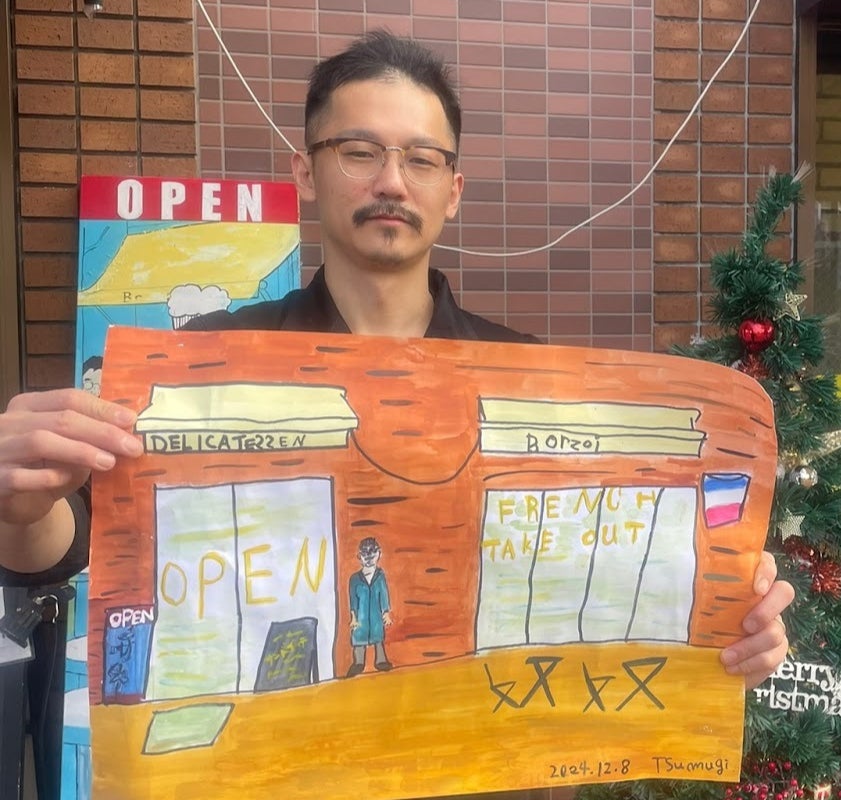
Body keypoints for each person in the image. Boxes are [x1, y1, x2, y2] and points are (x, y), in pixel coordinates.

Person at [0, 29, 791, 693]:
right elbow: (74, 543)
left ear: (454, 189)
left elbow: (611, 573)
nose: (390, 182)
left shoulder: (528, 375)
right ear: (306, 172)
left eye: (420, 159)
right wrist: (22, 508)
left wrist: (732, 629)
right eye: (359, 152)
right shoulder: (204, 360)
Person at [347, 537, 393, 676]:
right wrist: (353, 617)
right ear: (359, 557)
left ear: (379, 554)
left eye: (372, 556)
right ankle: (358, 663)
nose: (369, 560)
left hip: (375, 616)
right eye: (365, 557)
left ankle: (381, 661)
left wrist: (386, 613)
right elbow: (353, 600)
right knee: (359, 639)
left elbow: (384, 595)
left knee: (378, 637)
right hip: (360, 617)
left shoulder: (380, 576)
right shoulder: (354, 579)